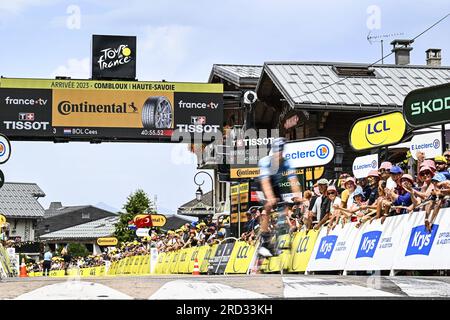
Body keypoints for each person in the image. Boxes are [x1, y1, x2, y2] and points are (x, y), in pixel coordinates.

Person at [257, 137, 301, 257]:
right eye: (277, 151)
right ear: (273, 152)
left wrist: (297, 196)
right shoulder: (266, 162)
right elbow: (265, 183)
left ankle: (279, 230)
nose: (279, 154)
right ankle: (265, 239)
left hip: (276, 185)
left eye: (281, 151)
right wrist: (270, 198)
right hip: (263, 184)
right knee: (268, 206)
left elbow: (293, 180)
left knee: (285, 207)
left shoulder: (286, 163)